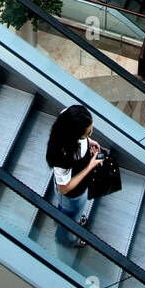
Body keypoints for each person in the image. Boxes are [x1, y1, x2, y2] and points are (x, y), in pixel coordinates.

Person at [45, 103, 103, 248]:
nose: (90, 134)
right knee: (71, 214)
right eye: (87, 133)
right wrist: (90, 166)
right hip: (72, 195)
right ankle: (65, 240)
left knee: (67, 211)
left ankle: (64, 216)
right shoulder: (64, 155)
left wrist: (89, 141)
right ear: (75, 135)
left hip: (72, 189)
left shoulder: (67, 116)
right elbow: (64, 188)